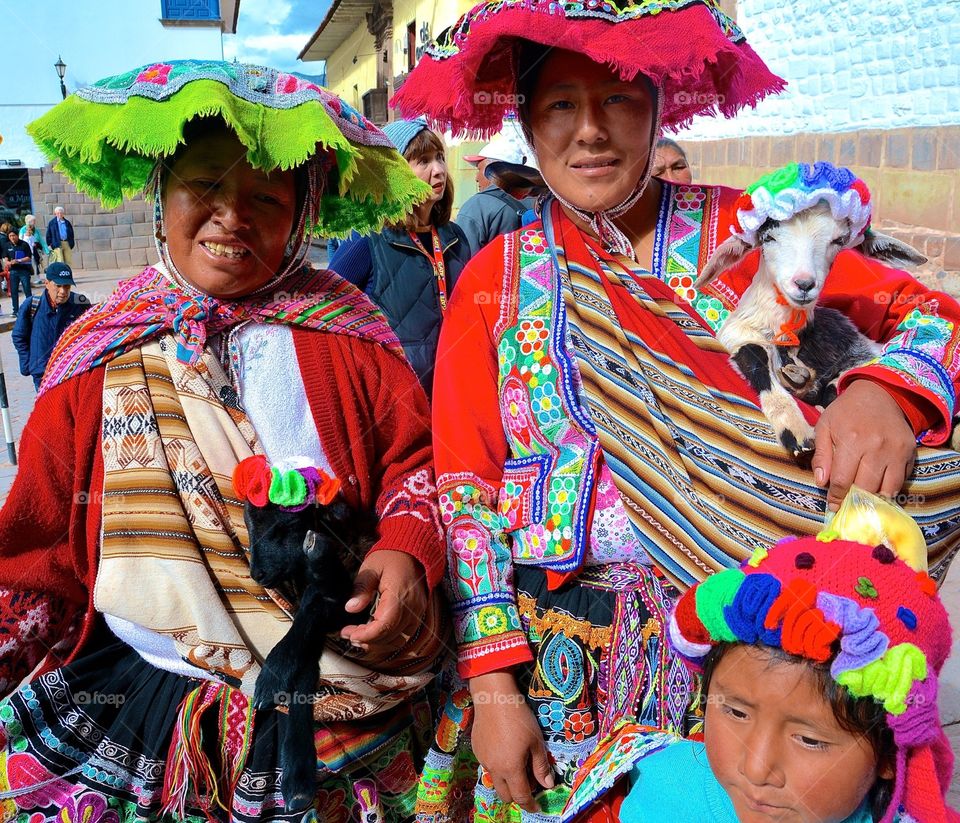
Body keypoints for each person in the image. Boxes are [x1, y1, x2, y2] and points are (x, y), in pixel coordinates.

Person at [393, 1, 960, 819]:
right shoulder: (495, 281)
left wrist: (888, 390)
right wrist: (492, 685)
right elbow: (466, 487)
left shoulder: (747, 232)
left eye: (619, 97)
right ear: (525, 119)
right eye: (559, 104)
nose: (590, 130)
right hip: (555, 656)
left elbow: (930, 314)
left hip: (737, 663)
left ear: (659, 108)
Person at [2, 60, 445, 821]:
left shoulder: (352, 336)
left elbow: (417, 462)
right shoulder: (95, 356)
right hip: (147, 693)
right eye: (204, 185)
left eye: (266, 197)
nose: (232, 216)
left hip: (343, 690)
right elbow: (38, 550)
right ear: (160, 193)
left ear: (303, 212)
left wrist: (405, 543)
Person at [623, 502, 957, 823]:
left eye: (810, 740)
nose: (756, 768)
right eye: (736, 712)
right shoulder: (662, 794)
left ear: (888, 755)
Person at [328, 117, 470, 398]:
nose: (439, 170)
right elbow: (328, 310)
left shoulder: (456, 237)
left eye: (440, 158)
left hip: (456, 387)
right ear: (393, 172)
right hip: (397, 396)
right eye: (424, 161)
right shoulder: (368, 238)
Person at [458, 127, 545, 256]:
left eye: (480, 169)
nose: (476, 178)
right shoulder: (541, 202)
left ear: (497, 170)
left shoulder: (478, 206)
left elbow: (462, 262)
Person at [12, 261, 90, 391]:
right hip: (42, 375)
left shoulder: (80, 304)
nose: (63, 291)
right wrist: (29, 364)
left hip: (70, 373)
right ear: (46, 284)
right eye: (58, 286)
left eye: (67, 286)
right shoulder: (31, 305)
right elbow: (18, 336)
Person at [3, 228, 33, 315]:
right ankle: (15, 310)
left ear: (17, 235)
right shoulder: (7, 245)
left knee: (27, 290)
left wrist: (19, 260)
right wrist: (8, 262)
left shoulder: (24, 244)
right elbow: (5, 258)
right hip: (13, 271)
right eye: (10, 236)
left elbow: (28, 257)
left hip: (24, 270)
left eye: (14, 235)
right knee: (14, 291)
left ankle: (30, 309)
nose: (12, 238)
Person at [20, 214, 52, 284]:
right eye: (33, 221)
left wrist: (46, 250)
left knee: (36, 263)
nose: (34, 222)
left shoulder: (36, 230)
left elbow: (41, 240)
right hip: (26, 249)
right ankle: (29, 279)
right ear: (29, 222)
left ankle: (37, 278)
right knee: (28, 264)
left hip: (35, 249)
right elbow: (20, 240)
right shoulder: (23, 230)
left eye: (34, 221)